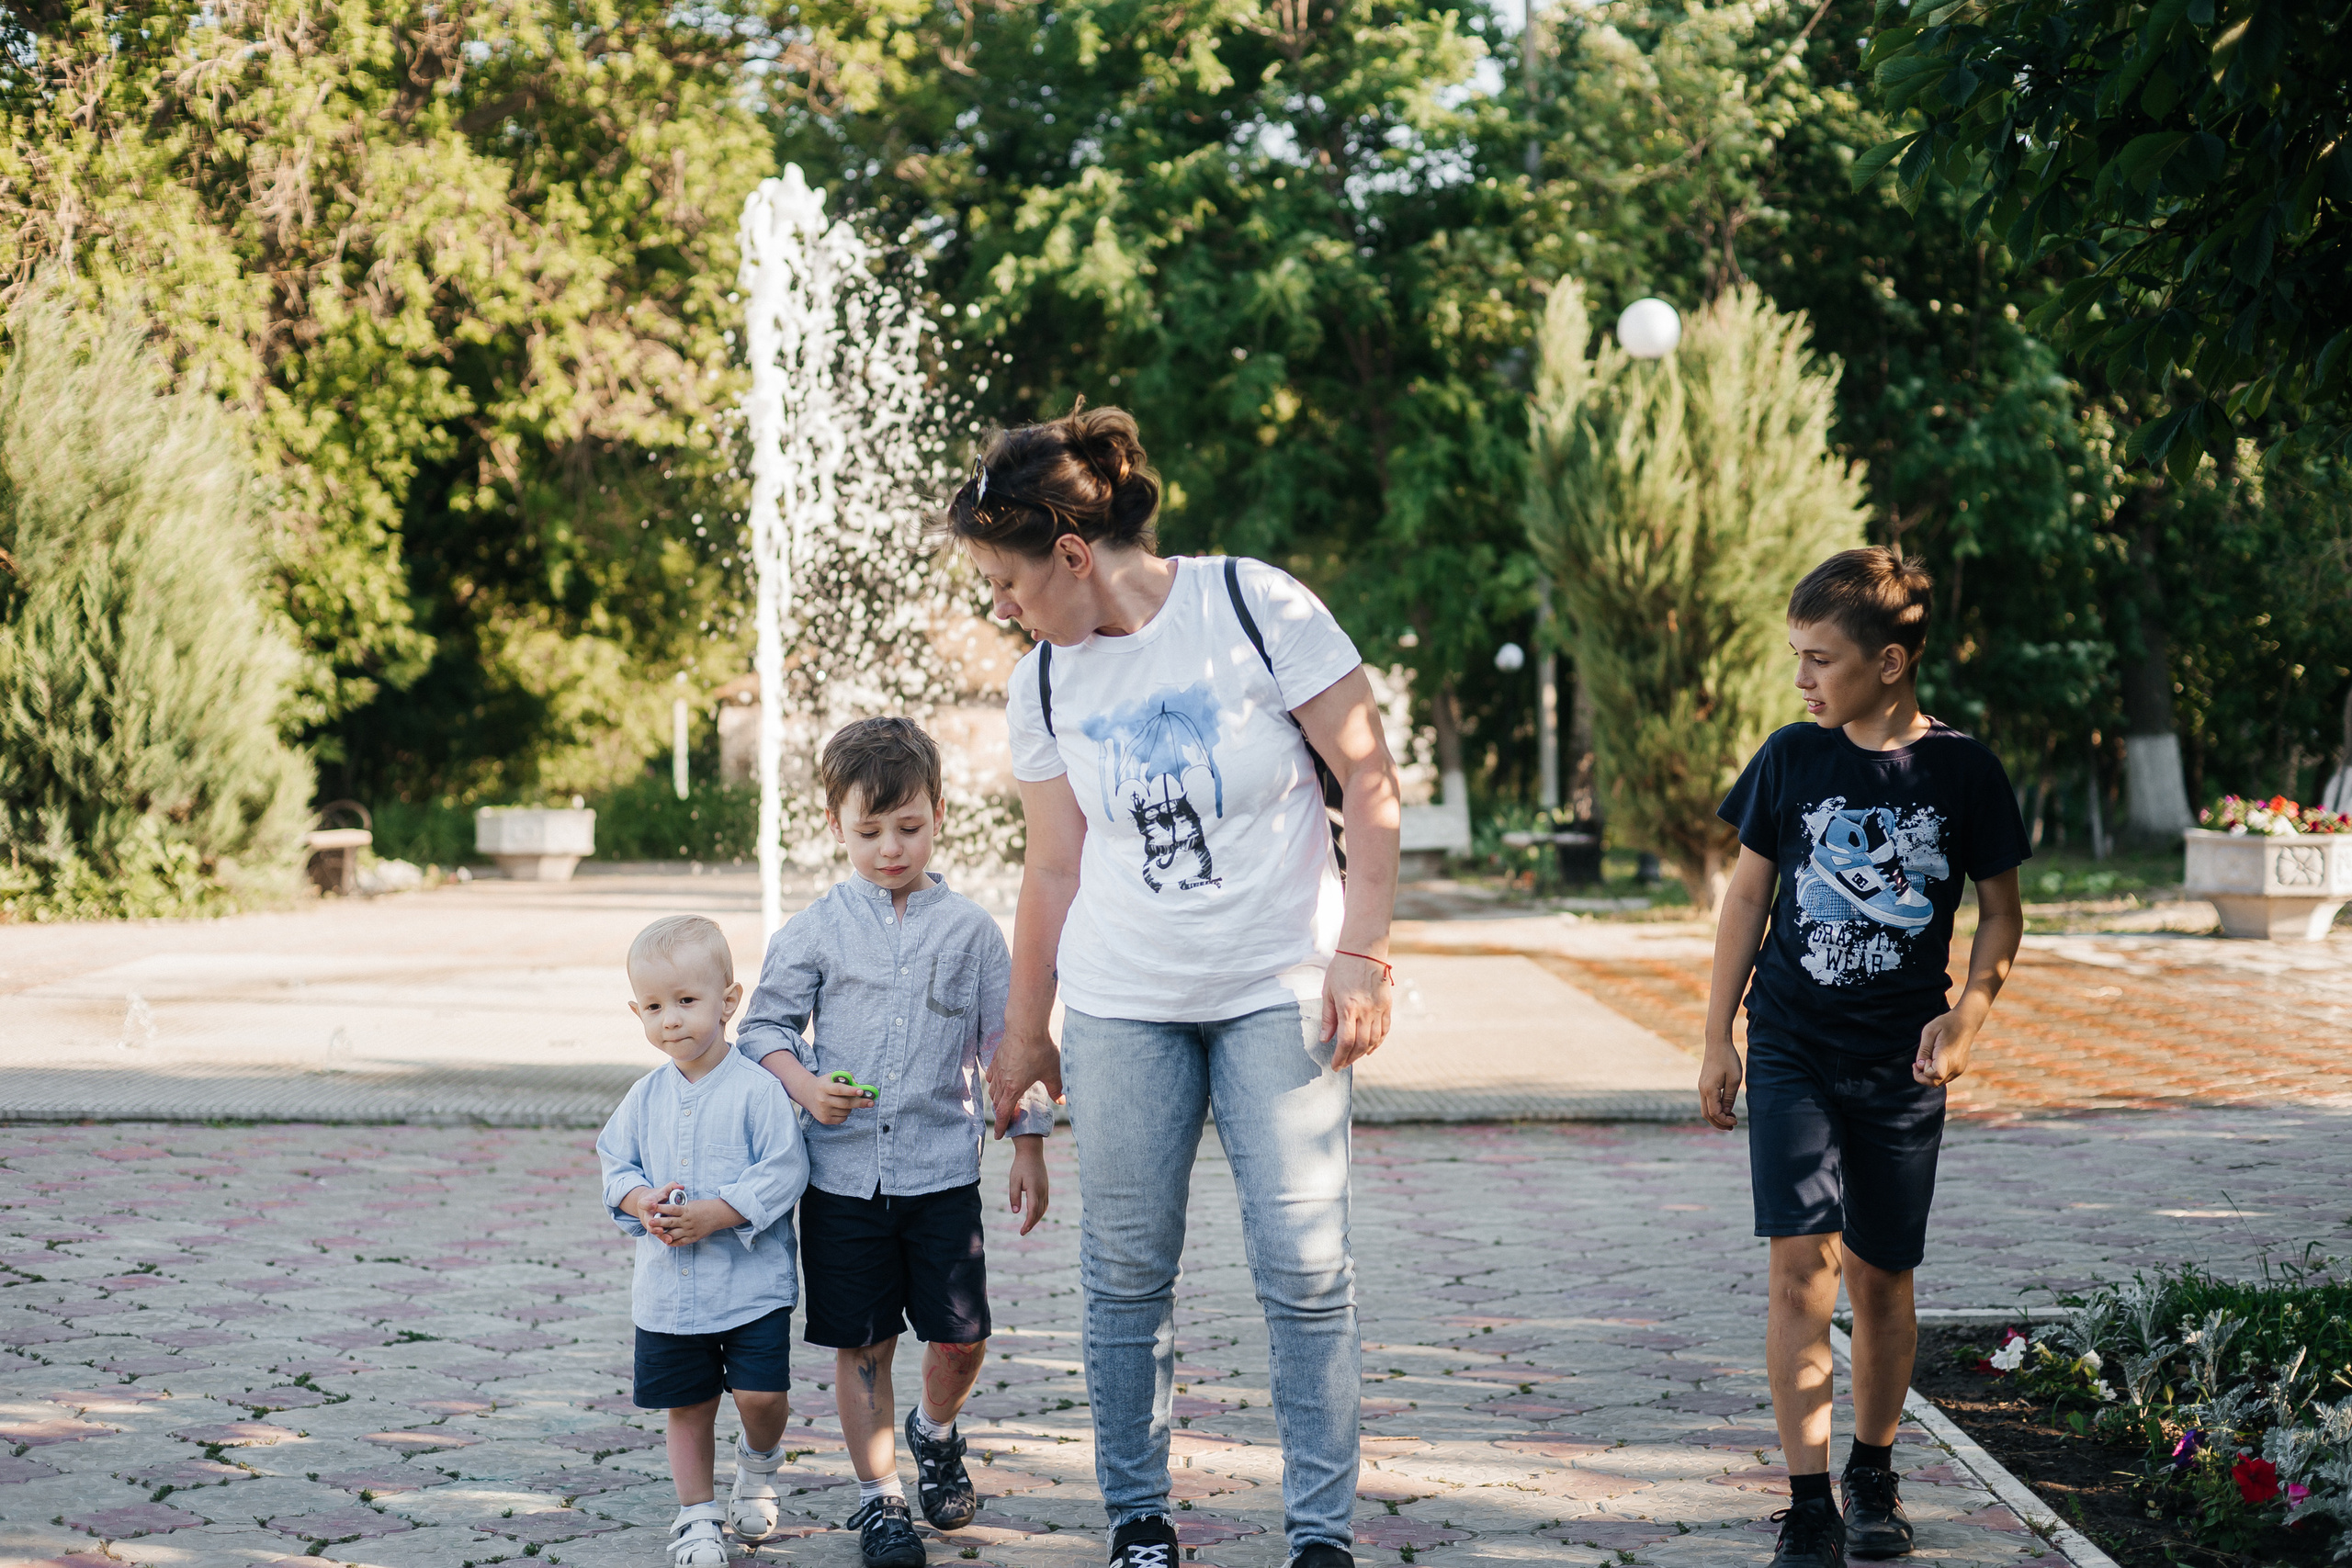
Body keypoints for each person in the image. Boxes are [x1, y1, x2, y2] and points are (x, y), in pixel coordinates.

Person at [945, 405, 1403, 1568]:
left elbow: (1365, 774)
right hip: (1122, 1003)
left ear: (1068, 553)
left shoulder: (1254, 605)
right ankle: (1139, 1521)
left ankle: (1319, 1538)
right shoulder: (1039, 686)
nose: (997, 604)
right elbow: (1053, 868)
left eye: (1003, 580)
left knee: (1304, 1270)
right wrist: (1024, 1033)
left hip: (1275, 988)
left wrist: (1363, 950)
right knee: (1124, 1274)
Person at [1699, 547, 2030, 1567]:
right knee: (1800, 1270)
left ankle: (1873, 1468)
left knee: (1882, 1276)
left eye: (1819, 659)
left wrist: (1966, 1016)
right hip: (1792, 1044)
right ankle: (1806, 1503)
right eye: (1795, 657)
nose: (1801, 680)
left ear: (1889, 664)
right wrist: (1718, 1033)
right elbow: (1747, 899)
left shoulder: (1962, 771)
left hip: (1899, 1065)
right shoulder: (1791, 758)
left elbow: (2001, 914)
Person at [735, 716, 1055, 1568]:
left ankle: (936, 1428)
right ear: (835, 824)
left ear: (939, 815)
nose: (888, 848)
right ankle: (881, 1502)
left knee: (961, 1337)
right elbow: (760, 1025)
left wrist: (1028, 1142)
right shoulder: (814, 930)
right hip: (839, 1183)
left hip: (942, 1173)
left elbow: (1006, 1045)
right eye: (868, 831)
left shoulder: (972, 933)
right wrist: (804, 1084)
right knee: (863, 1344)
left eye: (907, 827)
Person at [596, 915, 811, 1568]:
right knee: (687, 1406)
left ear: (728, 1001)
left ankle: (759, 1459)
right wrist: (639, 1199)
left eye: (686, 1001)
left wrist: (719, 1212)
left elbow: (785, 1167)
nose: (671, 1020)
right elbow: (615, 1162)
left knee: (760, 1397)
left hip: (750, 1288)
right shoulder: (643, 1096)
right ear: (637, 1010)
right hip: (670, 1294)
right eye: (655, 1007)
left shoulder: (756, 1089)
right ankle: (696, 1516)